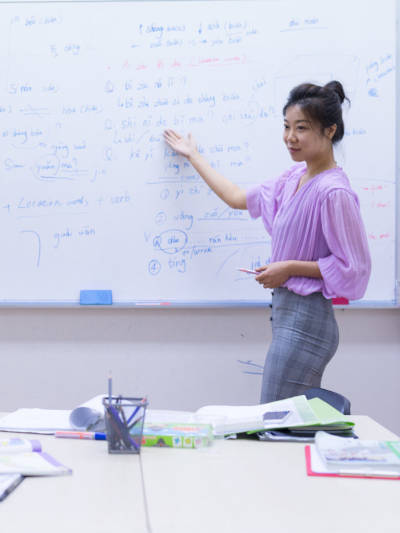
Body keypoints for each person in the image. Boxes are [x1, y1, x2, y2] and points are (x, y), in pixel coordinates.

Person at [164, 81, 371, 403]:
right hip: (286, 315)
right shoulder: (292, 179)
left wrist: (287, 268)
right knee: (287, 424)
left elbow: (353, 268)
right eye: (286, 127)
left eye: (301, 128)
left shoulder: (334, 192)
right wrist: (193, 156)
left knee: (274, 421)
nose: (290, 137)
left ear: (330, 131)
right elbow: (235, 197)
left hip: (307, 321)